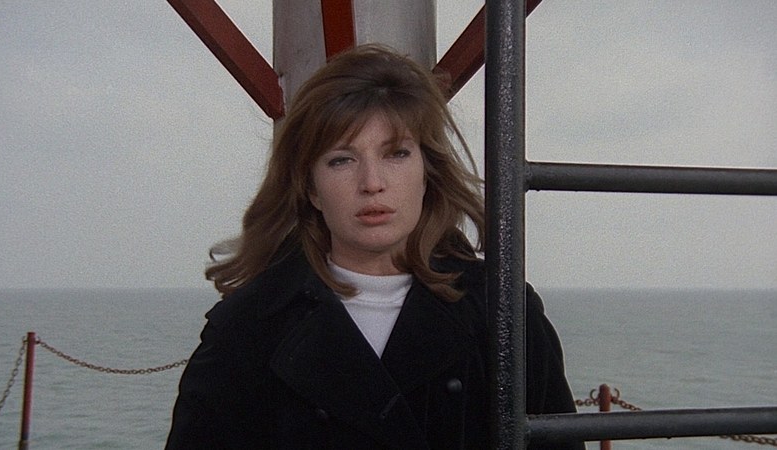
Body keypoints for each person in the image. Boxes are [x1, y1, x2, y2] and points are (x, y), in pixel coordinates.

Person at [166, 44, 583, 449]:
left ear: (427, 171)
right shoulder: (246, 328)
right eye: (341, 160)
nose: (371, 182)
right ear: (311, 187)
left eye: (396, 154)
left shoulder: (503, 312)